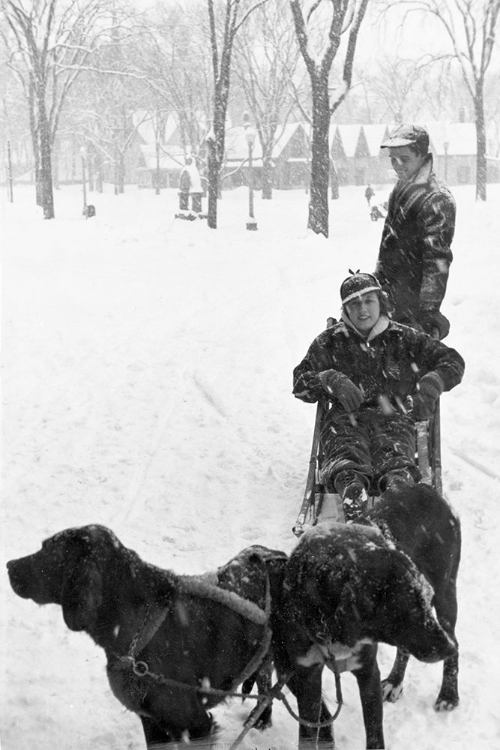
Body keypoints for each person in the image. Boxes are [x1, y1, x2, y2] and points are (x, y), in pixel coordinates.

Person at [293, 272, 465, 521]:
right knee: (346, 455)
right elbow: (299, 383)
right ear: (345, 309)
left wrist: (432, 382)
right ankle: (352, 491)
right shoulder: (330, 342)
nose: (363, 309)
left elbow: (452, 361)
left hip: (394, 414)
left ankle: (397, 490)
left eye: (368, 301)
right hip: (345, 417)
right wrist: (329, 380)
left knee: (394, 456)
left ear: (380, 302)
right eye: (355, 303)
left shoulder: (404, 337)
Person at [374, 124, 456, 340]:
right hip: (390, 298)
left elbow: (437, 260)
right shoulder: (401, 187)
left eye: (404, 159)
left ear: (423, 156)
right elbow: (387, 243)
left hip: (413, 304)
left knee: (410, 366)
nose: (397, 165)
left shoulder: (437, 198)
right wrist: (376, 284)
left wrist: (428, 311)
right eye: (393, 159)